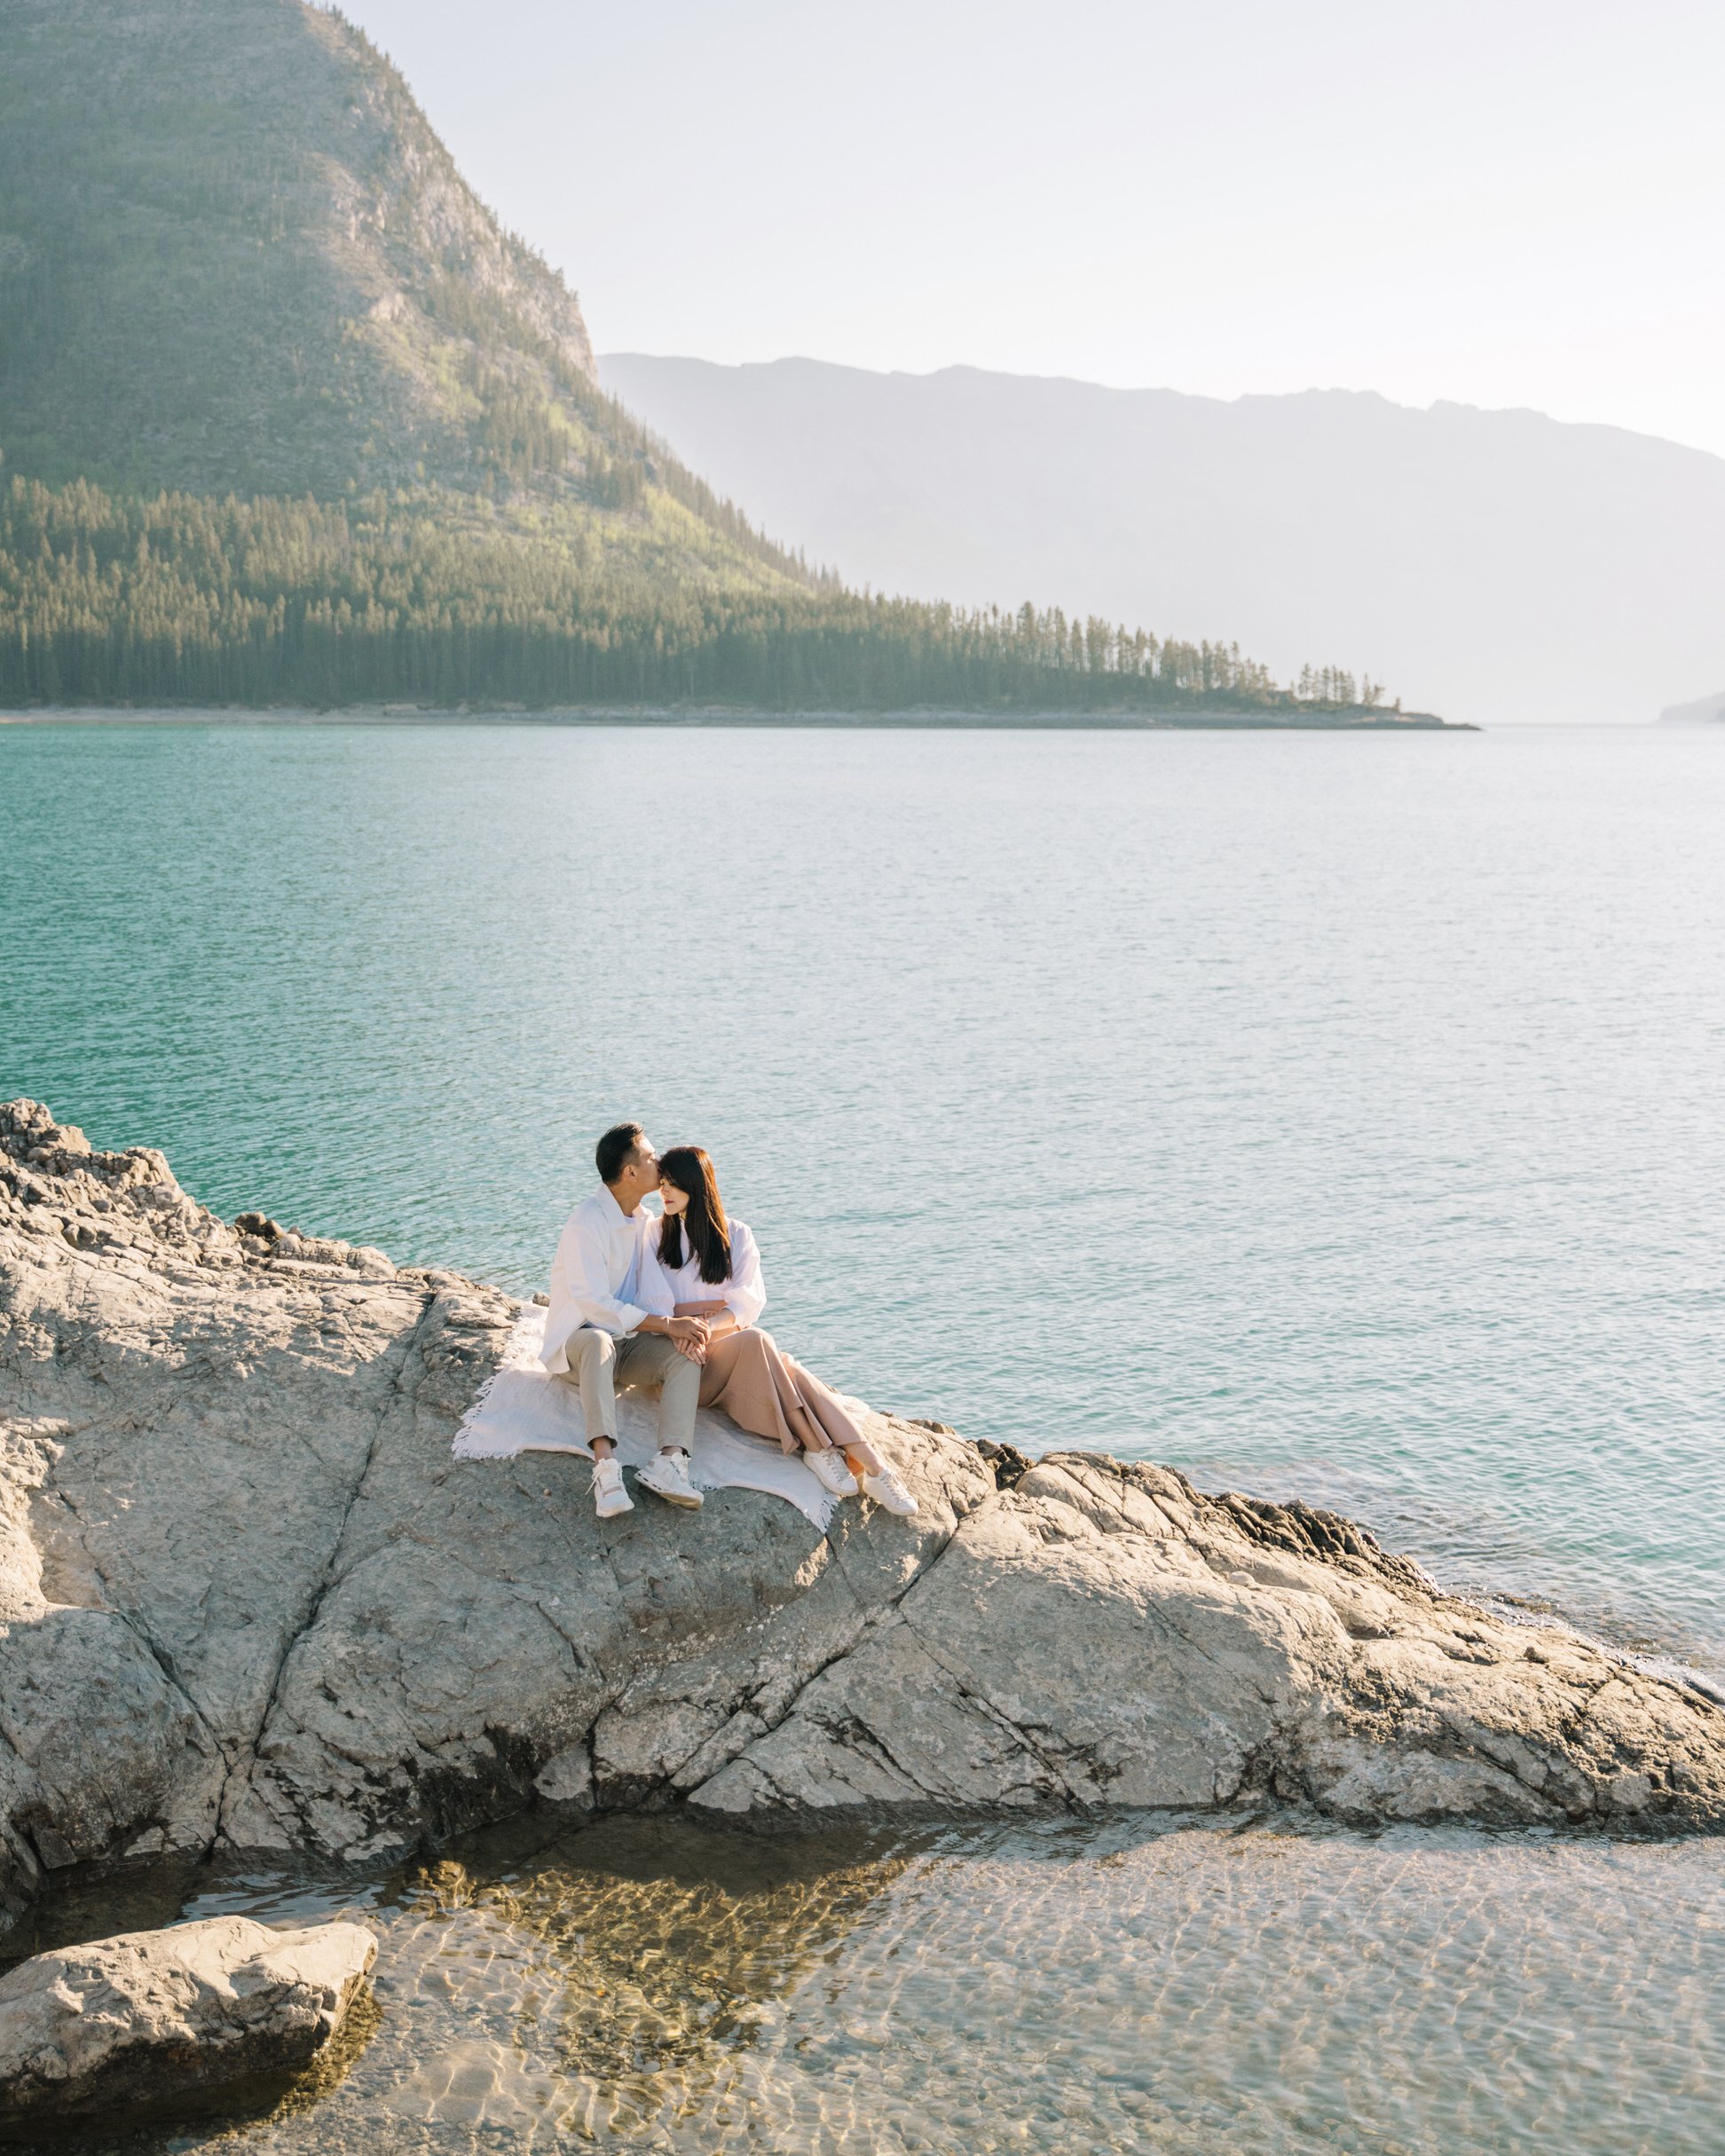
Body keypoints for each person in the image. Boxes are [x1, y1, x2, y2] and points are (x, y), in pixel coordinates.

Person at [635, 1145, 918, 1515]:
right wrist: (687, 1332)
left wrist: (706, 1327)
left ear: (698, 1184)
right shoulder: (653, 1236)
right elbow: (654, 1307)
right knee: (763, 1344)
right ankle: (820, 1449)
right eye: (663, 1183)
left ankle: (875, 1467)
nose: (664, 1192)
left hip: (726, 1350)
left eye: (674, 1183)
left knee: (778, 1361)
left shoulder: (737, 1234)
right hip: (683, 1361)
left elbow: (748, 1301)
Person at [540, 1121, 713, 1519]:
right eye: (652, 1157)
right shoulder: (586, 1222)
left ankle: (669, 1464)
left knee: (685, 1354)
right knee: (600, 1340)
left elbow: (653, 1287)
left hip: (626, 1343)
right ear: (631, 1172)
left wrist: (681, 1329)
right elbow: (594, 1305)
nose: (661, 1162)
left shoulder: (644, 1218)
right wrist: (668, 1325)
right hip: (579, 1344)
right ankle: (606, 1470)